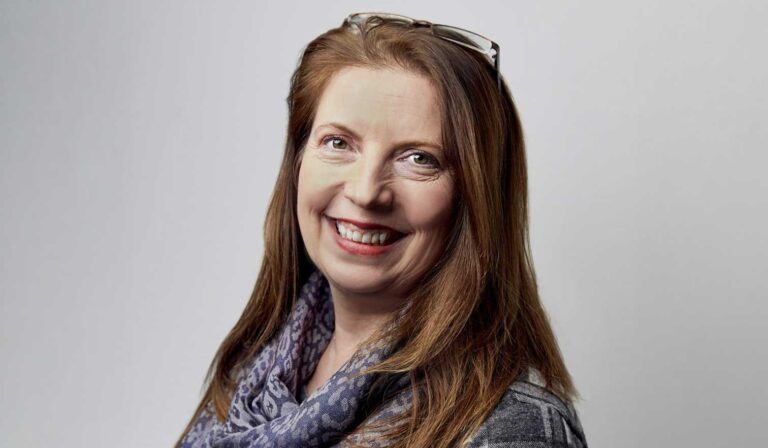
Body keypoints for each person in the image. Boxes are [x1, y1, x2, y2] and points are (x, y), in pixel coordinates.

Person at [176, 12, 588, 448]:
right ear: (297, 161)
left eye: (419, 159)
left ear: (476, 197)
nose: (366, 191)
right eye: (338, 143)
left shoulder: (514, 427)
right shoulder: (253, 380)